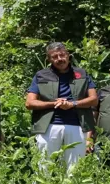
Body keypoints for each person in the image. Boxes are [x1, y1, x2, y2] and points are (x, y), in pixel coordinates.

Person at [25, 42, 98, 170]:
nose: (59, 59)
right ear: (49, 59)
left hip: (77, 125)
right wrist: (55, 103)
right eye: (55, 57)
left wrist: (72, 104)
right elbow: (29, 103)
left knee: (75, 168)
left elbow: (93, 100)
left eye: (62, 55)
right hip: (49, 126)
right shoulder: (41, 75)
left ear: (68, 55)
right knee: (44, 166)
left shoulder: (82, 74)